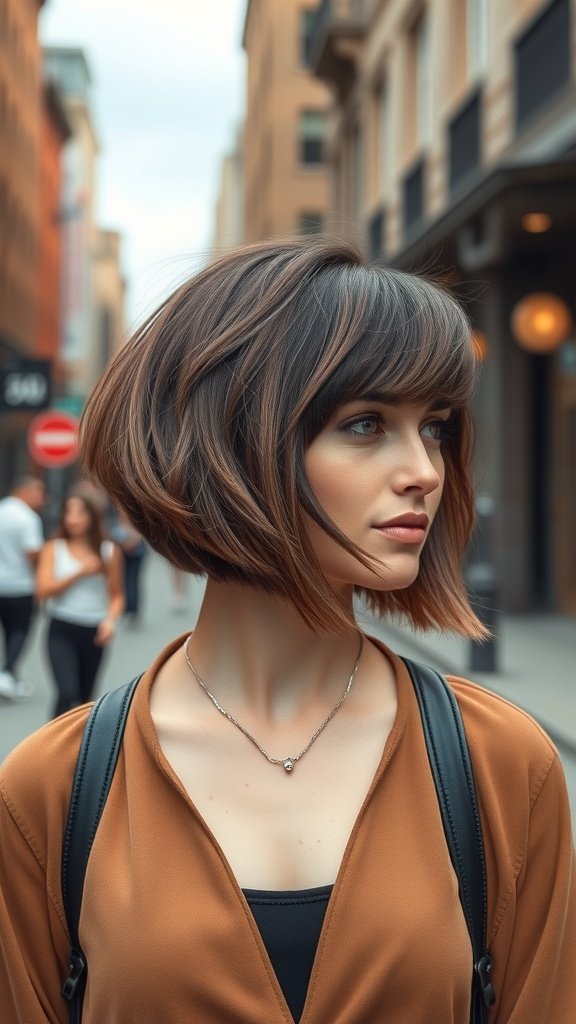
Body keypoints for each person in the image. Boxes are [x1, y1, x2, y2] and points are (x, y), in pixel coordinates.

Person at [0, 238, 574, 1023]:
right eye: (368, 423)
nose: (425, 470)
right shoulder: (54, 790)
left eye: (434, 426)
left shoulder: (501, 767)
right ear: (232, 440)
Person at [35, 492, 124, 718]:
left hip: (94, 631)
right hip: (61, 627)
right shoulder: (54, 548)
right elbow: (43, 591)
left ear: (92, 517)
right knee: (66, 692)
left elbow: (117, 595)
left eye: (80, 513)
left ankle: (82, 749)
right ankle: (50, 746)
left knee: (86, 698)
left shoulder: (108, 551)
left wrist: (110, 621)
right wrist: (79, 572)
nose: (74, 518)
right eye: (69, 512)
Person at [0, 474, 45, 700]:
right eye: (39, 492)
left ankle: (10, 675)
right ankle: (7, 673)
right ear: (24, 491)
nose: (42, 499)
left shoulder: (2, 511)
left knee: (7, 631)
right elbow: (33, 553)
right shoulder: (27, 518)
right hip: (21, 585)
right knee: (20, 631)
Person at [109, 508, 148, 625]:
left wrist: (134, 541)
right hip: (121, 554)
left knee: (134, 580)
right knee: (123, 579)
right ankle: (125, 607)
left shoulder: (138, 517)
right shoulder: (114, 518)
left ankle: (134, 610)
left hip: (137, 553)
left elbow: (144, 534)